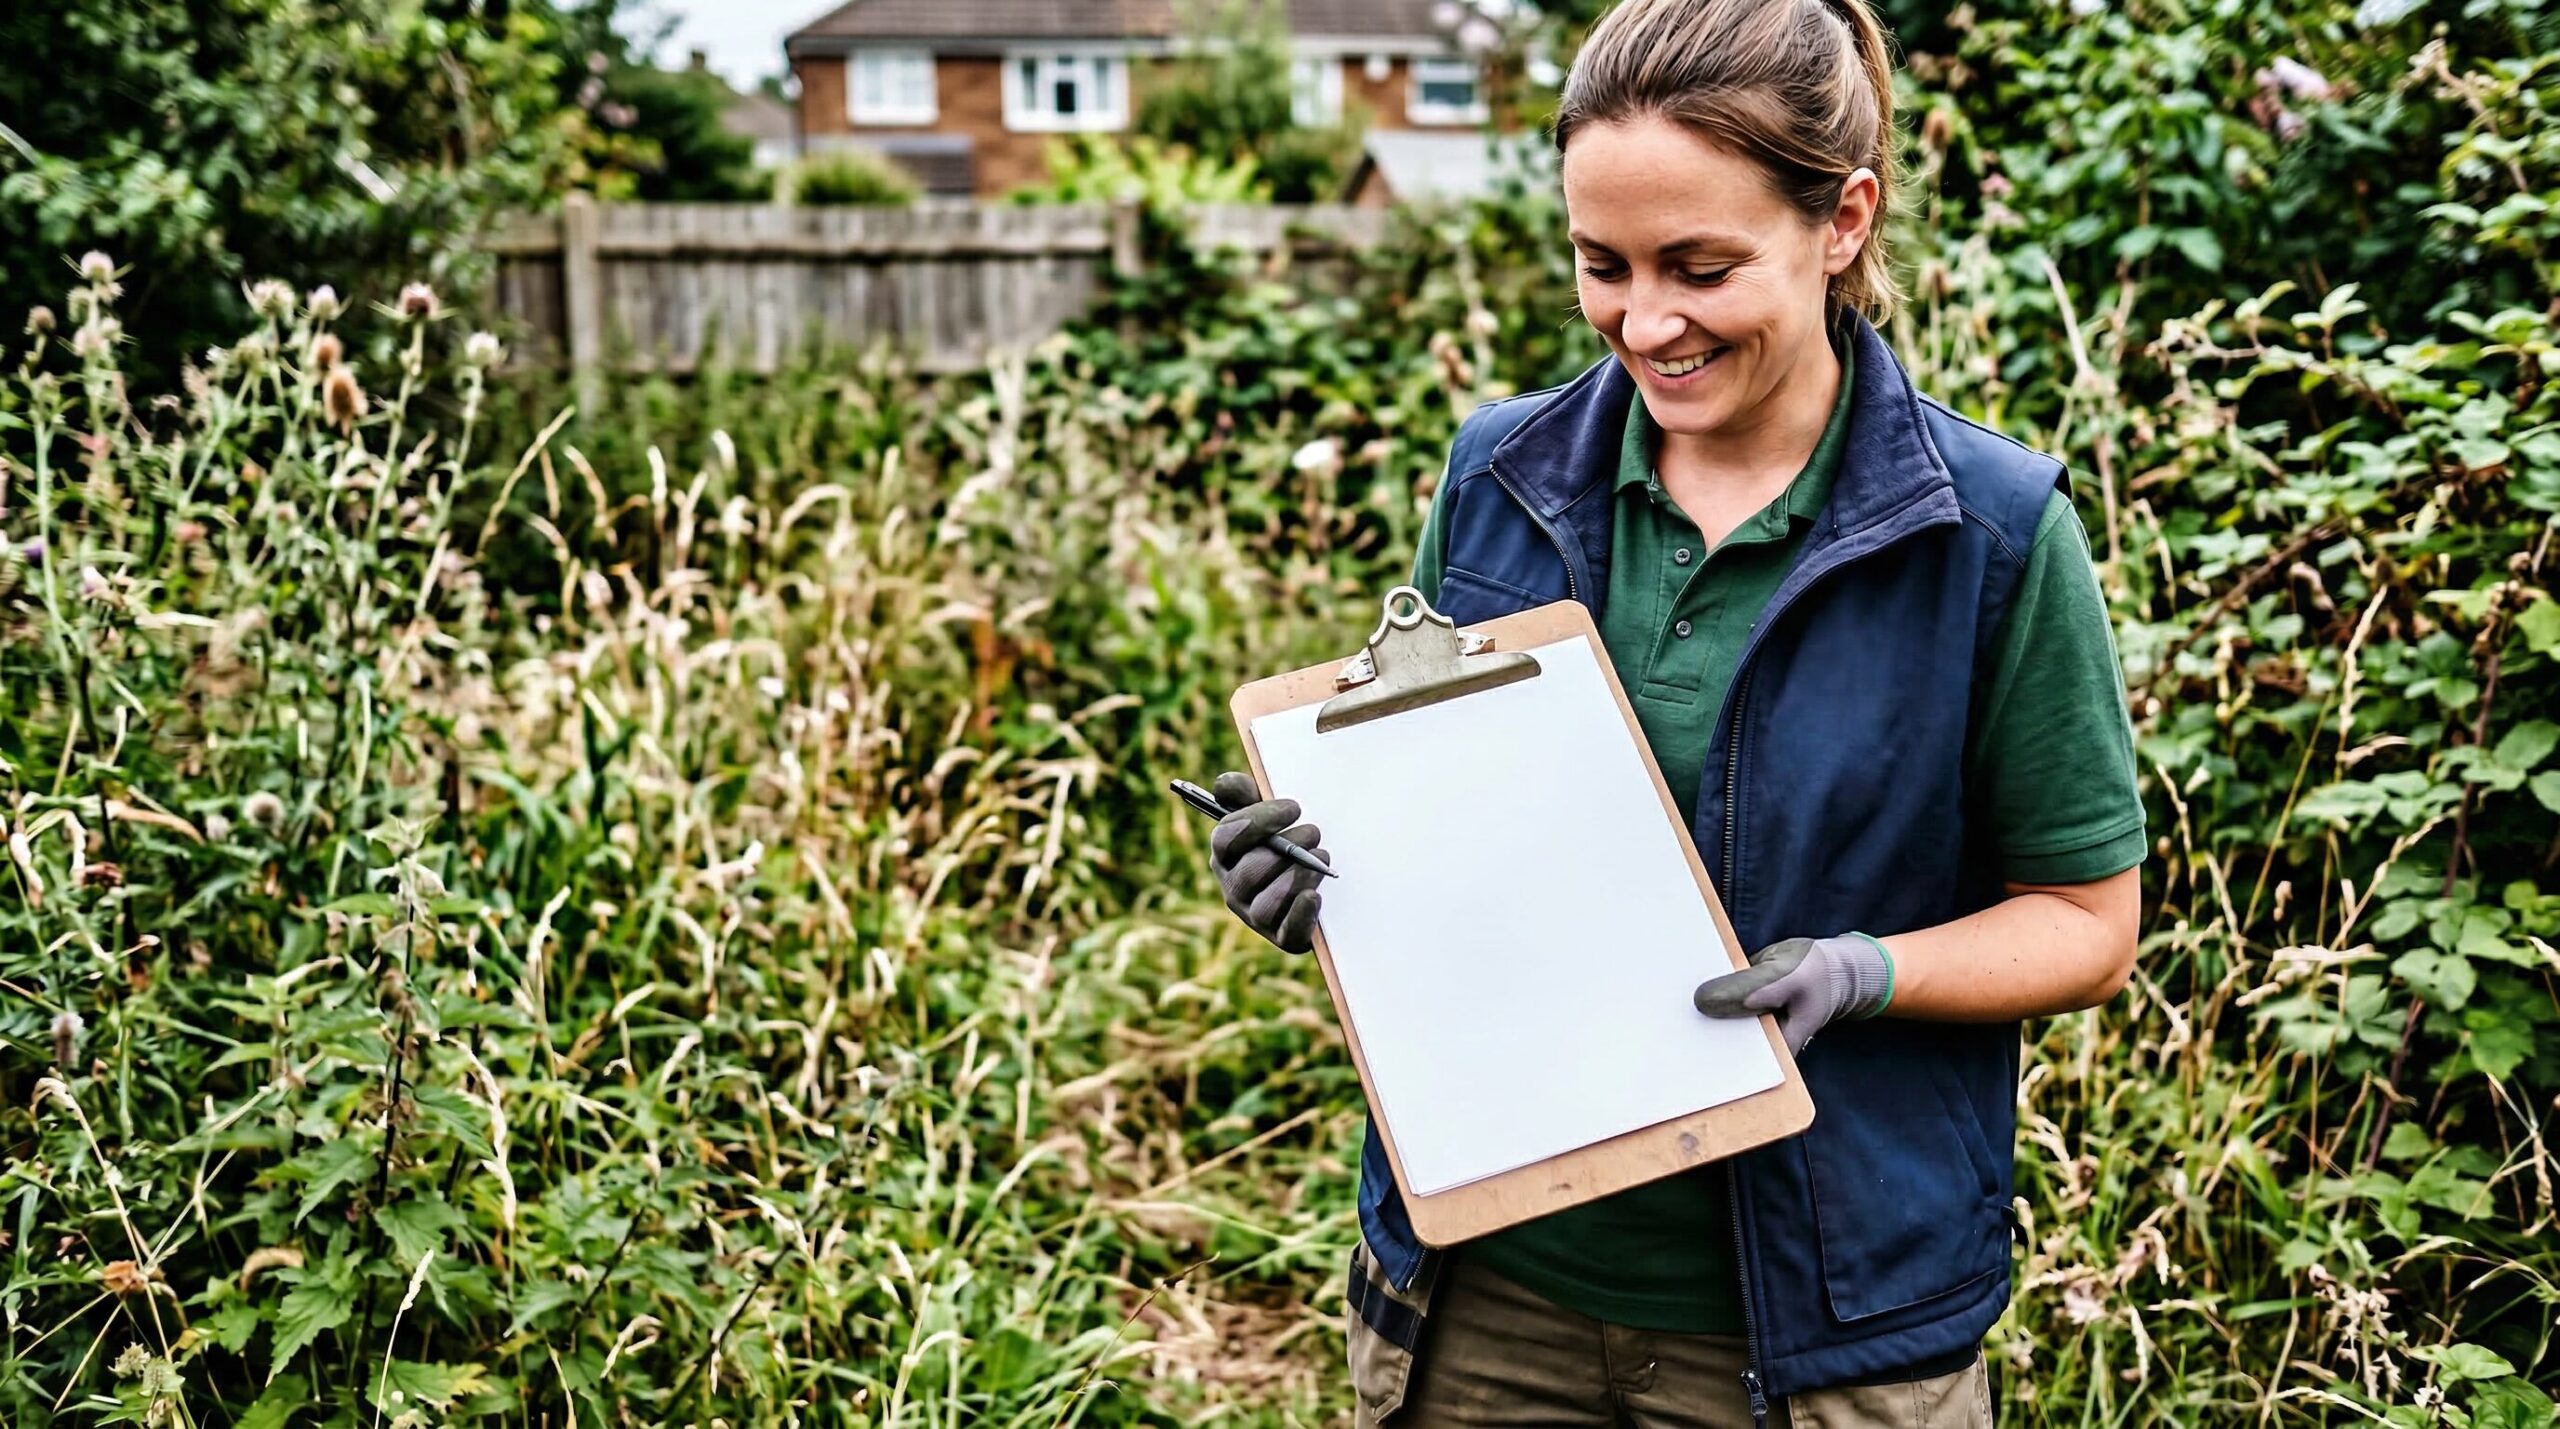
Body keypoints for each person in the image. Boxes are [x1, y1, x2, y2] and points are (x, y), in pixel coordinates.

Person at [1204, 0, 2146, 1423]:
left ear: (1843, 223)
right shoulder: (1498, 475)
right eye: (1603, 264)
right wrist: (1316, 874)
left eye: (1701, 266)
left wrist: (1863, 970)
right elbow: (1435, 816)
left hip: (1831, 1336)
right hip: (1482, 1298)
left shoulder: (1989, 535)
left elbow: (2087, 921)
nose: (1645, 321)